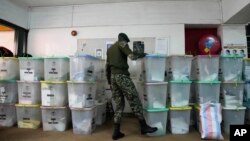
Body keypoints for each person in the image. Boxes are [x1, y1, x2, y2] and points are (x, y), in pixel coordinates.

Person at [106, 33, 157, 140]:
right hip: (122, 77)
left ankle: (116, 132)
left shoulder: (110, 49)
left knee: (119, 105)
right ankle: (144, 126)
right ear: (124, 39)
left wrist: (110, 82)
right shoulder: (122, 43)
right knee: (135, 100)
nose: (127, 44)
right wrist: (142, 54)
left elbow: (107, 67)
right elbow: (132, 56)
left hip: (113, 78)